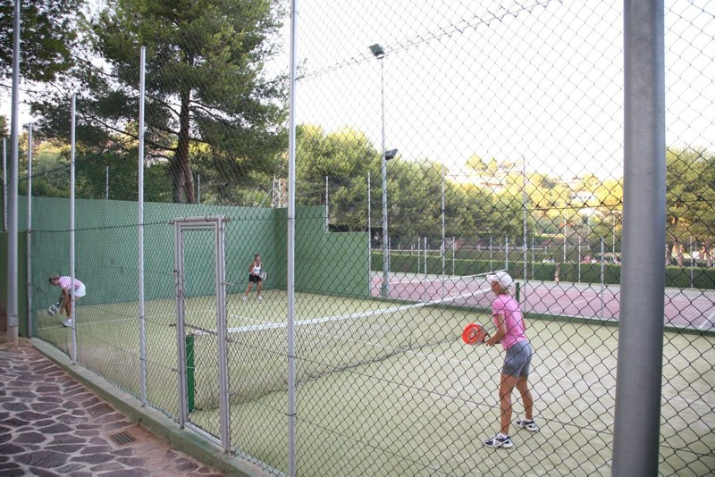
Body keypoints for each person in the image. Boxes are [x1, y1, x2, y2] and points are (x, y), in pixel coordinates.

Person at [483, 271, 538, 448]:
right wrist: (501, 338)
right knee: (522, 386)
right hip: (526, 347)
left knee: (504, 394)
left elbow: (503, 331)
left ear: (498, 285)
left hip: (515, 350)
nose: (491, 286)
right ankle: (529, 420)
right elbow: (523, 325)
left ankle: (503, 437)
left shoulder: (498, 302)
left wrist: (492, 340)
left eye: (493, 283)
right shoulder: (513, 301)